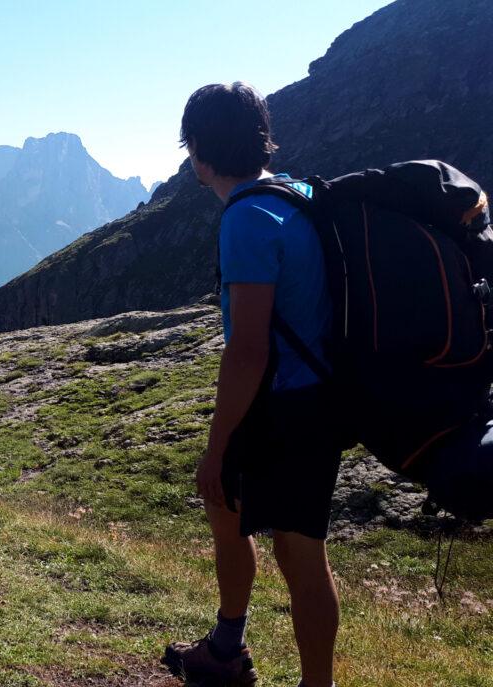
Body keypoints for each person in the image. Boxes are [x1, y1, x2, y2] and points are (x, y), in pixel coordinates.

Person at [161, 82, 341, 687]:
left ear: (200, 157)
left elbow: (247, 349)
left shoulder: (246, 219)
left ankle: (228, 650)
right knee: (303, 554)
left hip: (276, 408)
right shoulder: (298, 193)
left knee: (225, 508)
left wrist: (217, 447)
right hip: (319, 401)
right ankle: (279, 667)